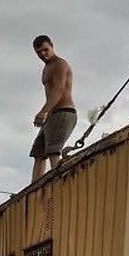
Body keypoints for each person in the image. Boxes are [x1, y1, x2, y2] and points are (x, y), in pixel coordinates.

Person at [30, 34, 77, 181]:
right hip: (52, 115)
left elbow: (59, 89)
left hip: (63, 112)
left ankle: (57, 183)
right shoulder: (47, 67)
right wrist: (47, 113)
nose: (43, 54)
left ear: (52, 46)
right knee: (38, 152)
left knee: (53, 151)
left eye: (45, 50)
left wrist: (43, 111)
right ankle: (34, 187)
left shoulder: (59, 64)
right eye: (39, 52)